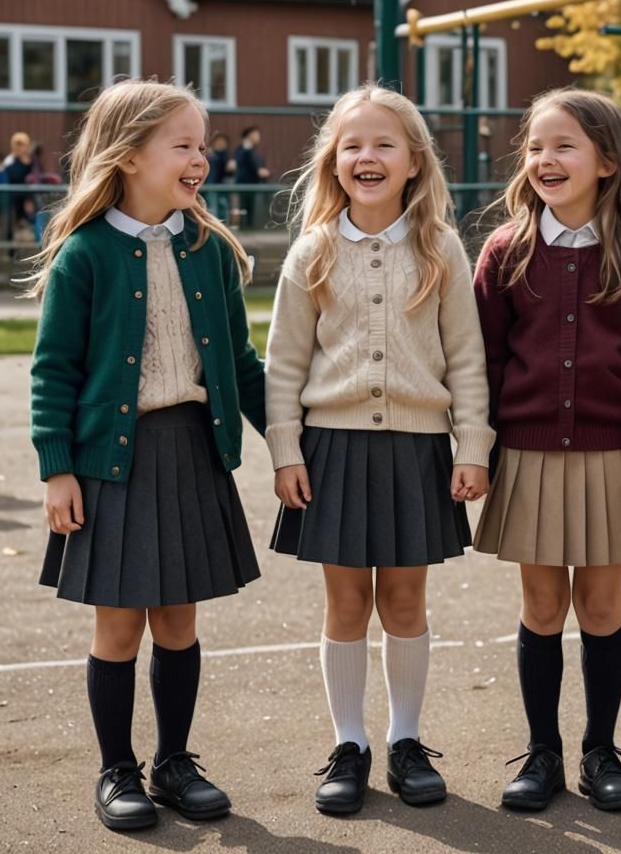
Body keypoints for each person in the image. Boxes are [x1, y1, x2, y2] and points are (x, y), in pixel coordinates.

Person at [26, 79, 266, 832]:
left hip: (191, 453)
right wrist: (57, 465)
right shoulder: (86, 254)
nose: (201, 158)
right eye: (184, 145)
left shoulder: (209, 247)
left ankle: (173, 762)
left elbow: (241, 361)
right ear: (129, 155)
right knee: (119, 627)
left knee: (179, 620)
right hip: (111, 465)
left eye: (203, 144)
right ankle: (117, 769)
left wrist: (289, 438)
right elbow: (53, 368)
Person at [264, 84, 493, 816]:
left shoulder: (443, 248)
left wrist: (473, 444)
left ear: (415, 161)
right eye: (353, 144)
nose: (368, 156)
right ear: (333, 162)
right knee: (345, 602)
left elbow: (466, 357)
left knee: (403, 598)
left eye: (384, 143)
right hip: (330, 450)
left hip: (417, 451)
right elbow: (284, 364)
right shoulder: (312, 251)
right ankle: (350, 744)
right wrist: (285, 451)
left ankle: (405, 739)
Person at [472, 88, 621, 813]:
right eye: (535, 147)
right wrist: (479, 450)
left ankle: (599, 752)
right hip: (526, 457)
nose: (545, 160)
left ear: (608, 164)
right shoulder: (505, 250)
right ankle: (542, 753)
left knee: (600, 604)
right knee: (541, 605)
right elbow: (484, 363)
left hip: (611, 459)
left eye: (564, 146)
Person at [233, 126, 270, 227]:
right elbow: (240, 163)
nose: (258, 137)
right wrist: (258, 170)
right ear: (250, 135)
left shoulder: (254, 150)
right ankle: (243, 227)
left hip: (254, 183)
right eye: (256, 135)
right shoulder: (243, 149)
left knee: (251, 208)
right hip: (244, 183)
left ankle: (249, 226)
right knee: (243, 208)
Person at [206, 131, 234, 222]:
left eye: (223, 142)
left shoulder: (226, 156)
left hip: (222, 186)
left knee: (223, 206)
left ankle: (223, 224)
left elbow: (228, 173)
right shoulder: (209, 155)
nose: (220, 144)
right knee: (211, 206)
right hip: (210, 186)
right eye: (218, 142)